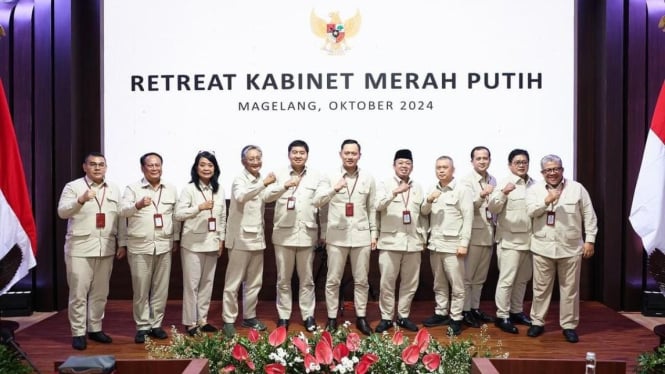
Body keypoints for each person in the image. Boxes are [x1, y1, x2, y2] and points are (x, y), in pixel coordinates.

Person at [57, 152, 126, 350]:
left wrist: (122, 243)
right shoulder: (73, 187)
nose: (97, 168)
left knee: (100, 292)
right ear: (84, 167)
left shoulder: (113, 188)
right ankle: (78, 332)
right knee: (78, 293)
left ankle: (95, 328)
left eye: (101, 164)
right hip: (79, 249)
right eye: (93, 164)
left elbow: (120, 218)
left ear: (106, 167)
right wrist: (80, 200)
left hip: (105, 248)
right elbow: (62, 212)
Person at [525, 154, 597, 343]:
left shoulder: (577, 188)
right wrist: (546, 201)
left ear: (562, 170)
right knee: (540, 289)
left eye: (556, 168)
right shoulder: (534, 190)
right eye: (548, 170)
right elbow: (530, 212)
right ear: (542, 173)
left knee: (570, 290)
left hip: (571, 247)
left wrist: (590, 240)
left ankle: (569, 326)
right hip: (543, 247)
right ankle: (537, 322)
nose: (552, 173)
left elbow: (589, 215)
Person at [314, 139, 377, 336]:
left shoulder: (368, 177)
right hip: (336, 236)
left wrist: (373, 233)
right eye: (346, 153)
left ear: (360, 155)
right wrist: (334, 189)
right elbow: (318, 203)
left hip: (361, 237)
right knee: (333, 280)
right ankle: (332, 318)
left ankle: (361, 317)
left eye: (354, 153)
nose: (350, 156)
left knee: (362, 281)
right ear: (340, 154)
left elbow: (372, 208)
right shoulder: (329, 177)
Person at [265, 140, 327, 332]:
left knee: (307, 279)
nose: (298, 155)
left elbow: (322, 204)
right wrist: (284, 185)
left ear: (307, 155)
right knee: (283, 279)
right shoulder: (279, 174)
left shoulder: (317, 176)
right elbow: (266, 197)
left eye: (302, 152)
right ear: (289, 154)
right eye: (294, 152)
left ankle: (308, 315)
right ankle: (284, 316)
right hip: (283, 235)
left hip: (307, 235)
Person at [120, 152, 180, 343]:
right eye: (150, 165)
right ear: (142, 168)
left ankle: (156, 324)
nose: (154, 168)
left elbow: (175, 217)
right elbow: (122, 212)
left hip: (164, 245)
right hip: (140, 246)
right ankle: (142, 326)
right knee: (141, 289)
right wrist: (137, 205)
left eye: (157, 165)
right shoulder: (132, 188)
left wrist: (175, 238)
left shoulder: (170, 188)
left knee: (161, 289)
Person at [221, 145, 276, 337]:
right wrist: (264, 184)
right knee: (233, 282)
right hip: (240, 239)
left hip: (258, 238)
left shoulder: (261, 179)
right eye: (251, 159)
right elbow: (241, 196)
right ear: (243, 161)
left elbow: (267, 197)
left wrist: (284, 186)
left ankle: (249, 316)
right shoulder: (240, 179)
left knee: (254, 282)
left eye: (258, 158)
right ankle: (228, 320)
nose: (255, 162)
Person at [374, 149, 427, 333]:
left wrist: (424, 237)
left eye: (408, 163)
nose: (404, 166)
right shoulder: (384, 184)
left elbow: (422, 214)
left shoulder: (418, 186)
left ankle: (403, 316)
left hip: (413, 242)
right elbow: (378, 206)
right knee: (387, 282)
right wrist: (395, 192)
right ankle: (387, 318)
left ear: (412, 166)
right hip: (390, 242)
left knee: (410, 283)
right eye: (401, 163)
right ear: (394, 165)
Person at [175, 151, 227, 336]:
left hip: (212, 243)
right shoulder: (189, 189)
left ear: (215, 168)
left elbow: (221, 217)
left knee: (207, 284)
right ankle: (190, 323)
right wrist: (199, 208)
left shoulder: (219, 189)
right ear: (196, 168)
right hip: (192, 244)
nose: (206, 168)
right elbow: (178, 214)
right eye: (203, 165)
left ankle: (202, 320)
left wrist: (221, 239)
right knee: (192, 285)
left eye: (210, 165)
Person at [421, 156, 473, 336]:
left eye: (445, 167)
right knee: (439, 283)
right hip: (435, 245)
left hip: (453, 246)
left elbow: (468, 218)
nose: (441, 170)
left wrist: (464, 243)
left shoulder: (462, 190)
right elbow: (423, 211)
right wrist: (428, 200)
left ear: (453, 169)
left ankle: (456, 317)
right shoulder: (432, 188)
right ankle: (441, 312)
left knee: (457, 286)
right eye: (438, 167)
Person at [487, 149, 534, 334]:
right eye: (517, 162)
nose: (521, 165)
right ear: (510, 165)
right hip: (509, 241)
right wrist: (503, 193)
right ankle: (502, 315)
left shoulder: (535, 186)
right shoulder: (503, 184)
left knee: (522, 280)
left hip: (530, 241)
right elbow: (492, 207)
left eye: (524, 162)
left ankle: (516, 311)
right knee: (506, 281)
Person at [461, 146, 496, 328]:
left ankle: (475, 307)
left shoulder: (493, 179)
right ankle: (465, 310)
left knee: (480, 277)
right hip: (473, 234)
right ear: (472, 161)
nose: (482, 161)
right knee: (467, 277)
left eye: (485, 158)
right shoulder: (466, 181)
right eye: (478, 158)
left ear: (490, 159)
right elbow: (468, 206)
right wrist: (482, 195)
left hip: (489, 233)